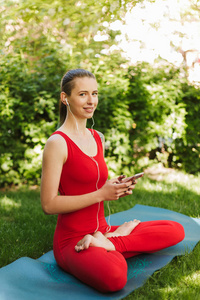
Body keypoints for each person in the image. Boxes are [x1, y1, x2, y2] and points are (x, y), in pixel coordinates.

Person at [40, 69, 185, 293]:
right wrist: (101, 194)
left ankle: (110, 241)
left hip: (103, 231)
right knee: (115, 277)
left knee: (175, 229)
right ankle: (112, 242)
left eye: (95, 93)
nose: (91, 101)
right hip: (73, 242)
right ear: (64, 98)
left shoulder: (97, 137)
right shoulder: (57, 143)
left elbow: (93, 182)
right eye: (83, 94)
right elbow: (49, 204)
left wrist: (114, 187)